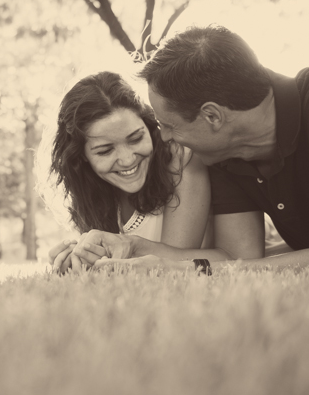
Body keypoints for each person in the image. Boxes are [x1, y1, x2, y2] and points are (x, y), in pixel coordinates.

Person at [71, 25, 309, 274]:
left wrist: (189, 270)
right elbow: (240, 261)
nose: (164, 138)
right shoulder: (224, 152)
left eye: (169, 125)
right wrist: (133, 248)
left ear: (212, 115)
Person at [45, 71, 209, 273]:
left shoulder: (182, 159)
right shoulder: (91, 188)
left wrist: (130, 247)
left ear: (149, 127)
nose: (127, 159)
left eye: (136, 139)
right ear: (82, 156)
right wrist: (80, 257)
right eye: (105, 151)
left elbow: (172, 268)